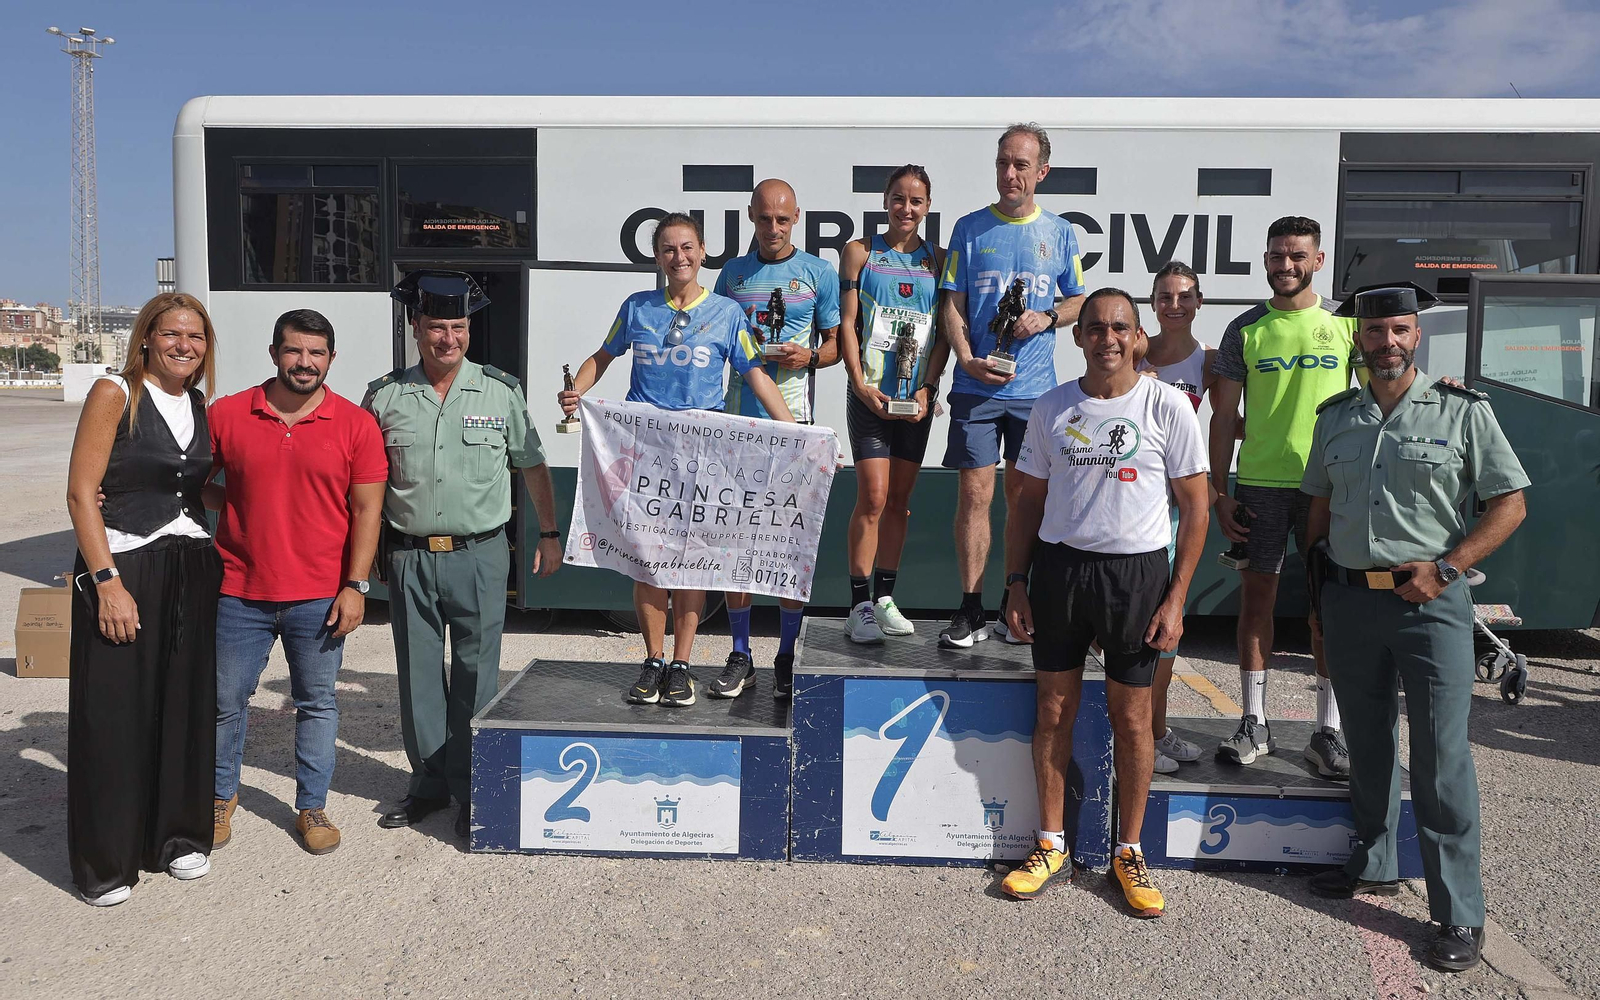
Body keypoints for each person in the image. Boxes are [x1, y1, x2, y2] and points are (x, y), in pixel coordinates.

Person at [1303, 282, 1528, 973]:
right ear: (1360, 339)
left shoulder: (1462, 411)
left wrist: (1450, 568)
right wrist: (1317, 602)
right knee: (1367, 743)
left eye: (1399, 330)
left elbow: (1510, 504)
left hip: (1430, 606)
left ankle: (1459, 910)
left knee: (1440, 757)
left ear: (1416, 336)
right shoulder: (1335, 416)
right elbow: (1319, 514)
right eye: (1375, 332)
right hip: (1350, 602)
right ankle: (1373, 861)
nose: (1388, 342)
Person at [999, 289, 1209, 917]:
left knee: (1134, 720)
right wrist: (1015, 581)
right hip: (1061, 572)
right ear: (1078, 336)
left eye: (1120, 328)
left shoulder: (1167, 406)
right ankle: (1050, 844)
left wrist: (1176, 598)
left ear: (1137, 336)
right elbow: (1027, 502)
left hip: (1136, 576)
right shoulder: (1052, 406)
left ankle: (1129, 850)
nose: (1107, 339)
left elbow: (1196, 508)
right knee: (1053, 711)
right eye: (1095, 328)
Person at [559, 213, 796, 704]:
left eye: (687, 247)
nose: (679, 257)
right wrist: (575, 392)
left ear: (703, 251)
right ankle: (653, 661)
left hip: (702, 457)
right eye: (668, 249)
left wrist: (797, 433)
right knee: (647, 561)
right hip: (644, 453)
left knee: (691, 560)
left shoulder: (728, 313)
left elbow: (756, 375)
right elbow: (602, 357)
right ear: (657, 257)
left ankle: (682, 666)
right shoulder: (637, 307)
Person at [366, 271, 563, 841]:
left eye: (457, 327)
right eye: (435, 327)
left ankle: (474, 786)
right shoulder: (384, 396)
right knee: (418, 677)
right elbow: (365, 480)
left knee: (478, 674)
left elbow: (532, 464)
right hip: (409, 557)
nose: (447, 339)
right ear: (416, 328)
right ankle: (428, 785)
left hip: (479, 555)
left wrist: (549, 533)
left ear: (469, 330)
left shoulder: (500, 391)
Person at [207, 309, 387, 856]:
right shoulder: (227, 414)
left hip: (320, 595)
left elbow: (367, 511)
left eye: (316, 353)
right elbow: (188, 482)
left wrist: (356, 585)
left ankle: (312, 806)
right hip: (239, 590)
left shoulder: (355, 424)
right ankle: (219, 797)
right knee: (224, 701)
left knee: (317, 703)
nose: (304, 362)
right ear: (274, 353)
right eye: (293, 350)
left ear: (331, 359)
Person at [64, 293, 224, 906]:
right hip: (126, 566)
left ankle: (178, 838)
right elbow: (81, 493)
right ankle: (107, 861)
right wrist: (106, 582)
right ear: (147, 338)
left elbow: (192, 490)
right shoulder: (116, 393)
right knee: (115, 712)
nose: (185, 345)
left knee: (184, 705)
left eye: (196, 337)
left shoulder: (199, 405)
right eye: (172, 334)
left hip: (191, 564)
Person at [1208, 216, 1361, 776]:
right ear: (1266, 259)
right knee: (1257, 603)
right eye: (1277, 255)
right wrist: (1218, 491)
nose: (1286, 265)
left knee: (1327, 611)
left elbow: (1380, 400)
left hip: (1327, 488)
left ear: (1318, 261)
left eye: (1298, 256)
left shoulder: (1347, 323)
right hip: (1259, 486)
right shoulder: (1245, 328)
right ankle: (1254, 722)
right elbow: (1222, 417)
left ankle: (1328, 732)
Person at [938, 122, 1086, 649]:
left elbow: (1079, 300)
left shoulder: (1061, 233)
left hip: (1036, 393)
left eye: (1021, 165)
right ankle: (970, 608)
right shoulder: (969, 228)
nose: (1009, 174)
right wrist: (965, 358)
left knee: (1024, 499)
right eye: (1003, 162)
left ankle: (1014, 605)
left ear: (1041, 172)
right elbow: (952, 302)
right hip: (976, 387)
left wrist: (1047, 316)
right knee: (974, 494)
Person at [715, 179, 840, 698]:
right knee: (738, 543)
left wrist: (808, 357)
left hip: (796, 427)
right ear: (750, 215)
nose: (773, 228)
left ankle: (786, 655)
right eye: (764, 218)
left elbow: (836, 346)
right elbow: (713, 338)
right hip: (739, 424)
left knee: (790, 545)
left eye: (782, 219)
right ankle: (741, 653)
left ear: (797, 218)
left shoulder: (818, 272)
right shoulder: (732, 273)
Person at [839, 165, 947, 643]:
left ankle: (884, 598)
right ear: (885, 201)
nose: (906, 208)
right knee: (874, 497)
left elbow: (943, 333)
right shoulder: (860, 252)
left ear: (928, 207)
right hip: (871, 394)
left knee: (900, 503)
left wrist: (928, 387)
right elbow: (847, 324)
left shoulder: (938, 259)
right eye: (899, 199)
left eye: (916, 201)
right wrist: (859, 383)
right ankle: (858, 605)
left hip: (914, 398)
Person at [1137, 262, 1217, 774]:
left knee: (1169, 622)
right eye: (1165, 297)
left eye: (1184, 296)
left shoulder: (1208, 361)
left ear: (1198, 302)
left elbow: (1230, 420)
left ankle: (1156, 730)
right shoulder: (1133, 348)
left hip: (1176, 507)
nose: (1174, 305)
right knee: (1134, 623)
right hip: (1130, 504)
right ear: (1152, 303)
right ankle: (1135, 734)